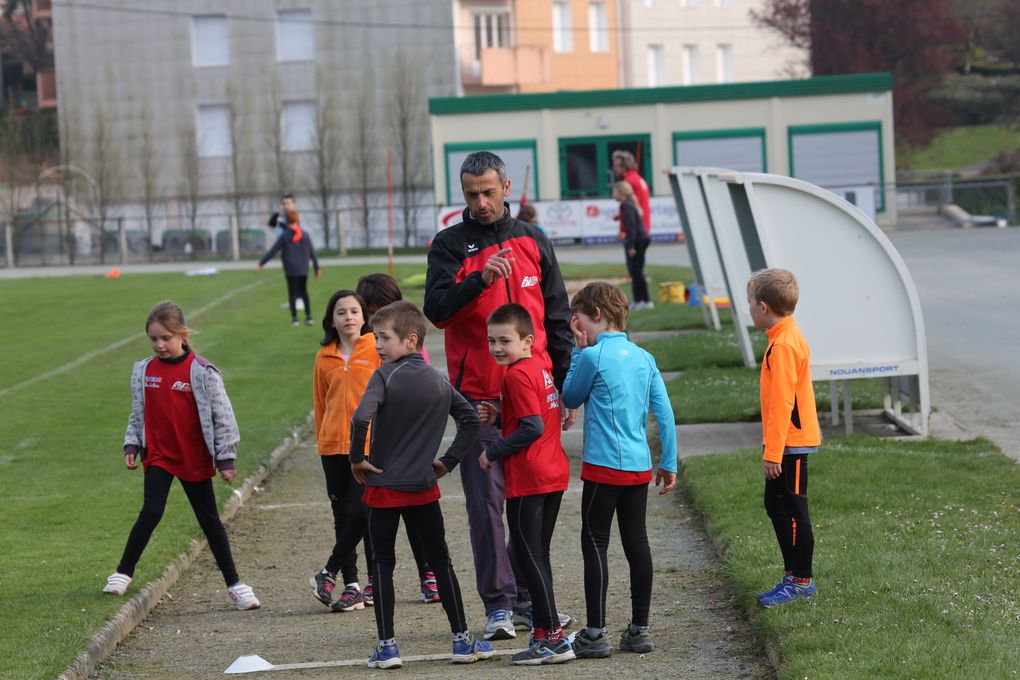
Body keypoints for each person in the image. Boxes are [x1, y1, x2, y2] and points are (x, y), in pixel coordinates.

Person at [423, 151, 574, 641]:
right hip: (478, 401)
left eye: (488, 191)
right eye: (471, 194)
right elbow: (437, 312)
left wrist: (565, 387)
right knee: (486, 506)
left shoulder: (534, 240)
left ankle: (532, 597)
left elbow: (557, 316)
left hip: (533, 398)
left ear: (506, 186)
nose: (481, 202)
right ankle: (500, 605)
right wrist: (478, 280)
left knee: (534, 501)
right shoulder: (449, 245)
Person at [348, 301, 495, 668]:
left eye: (384, 337)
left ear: (411, 340)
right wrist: (447, 461)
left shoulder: (384, 376)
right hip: (423, 487)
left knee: (382, 564)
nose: (377, 344)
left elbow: (361, 416)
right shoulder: (438, 379)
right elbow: (470, 421)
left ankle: (387, 646)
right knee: (440, 560)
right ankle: (462, 640)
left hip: (383, 488)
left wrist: (355, 458)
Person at [103, 301, 260, 611]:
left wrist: (225, 459)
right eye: (153, 338)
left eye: (166, 337)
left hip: (194, 459)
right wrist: (132, 445)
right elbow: (138, 413)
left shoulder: (202, 372)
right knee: (151, 511)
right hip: (159, 456)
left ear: (182, 334)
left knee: (210, 521)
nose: (160, 344)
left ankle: (235, 585)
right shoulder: (143, 370)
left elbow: (223, 417)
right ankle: (123, 573)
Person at [561, 282, 677, 658]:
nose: (575, 328)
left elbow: (570, 397)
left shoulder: (593, 356)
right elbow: (665, 414)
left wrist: (579, 353)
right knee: (636, 543)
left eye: (576, 320)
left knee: (594, 541)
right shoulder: (644, 357)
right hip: (639, 465)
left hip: (603, 465)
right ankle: (639, 629)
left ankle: (595, 633)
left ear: (595, 315)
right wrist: (669, 461)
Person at [478, 303, 573, 665]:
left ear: (527, 340)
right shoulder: (538, 367)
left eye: (505, 340)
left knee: (528, 557)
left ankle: (552, 637)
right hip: (553, 474)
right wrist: (500, 414)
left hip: (530, 478)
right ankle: (545, 633)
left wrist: (495, 450)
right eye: (492, 341)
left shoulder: (515, 375)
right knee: (538, 555)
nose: (497, 348)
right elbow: (534, 413)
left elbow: (531, 427)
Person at [355, 273, 438, 605]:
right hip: (378, 447)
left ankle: (427, 574)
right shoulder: (369, 346)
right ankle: (374, 578)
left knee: (416, 518)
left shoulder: (409, 352)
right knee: (373, 521)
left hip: (406, 447)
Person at [746, 268, 821, 608]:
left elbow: (782, 403)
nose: (748, 309)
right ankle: (792, 575)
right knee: (775, 505)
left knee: (792, 510)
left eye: (750, 303)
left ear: (763, 307)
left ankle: (801, 580)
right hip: (784, 441)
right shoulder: (781, 337)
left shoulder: (785, 344)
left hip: (790, 442)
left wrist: (773, 452)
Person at [309, 289, 379, 613]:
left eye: (354, 311)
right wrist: (323, 439)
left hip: (366, 447)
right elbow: (320, 403)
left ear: (364, 317)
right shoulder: (324, 356)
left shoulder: (375, 349)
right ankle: (351, 587)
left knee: (363, 513)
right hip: (332, 447)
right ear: (332, 320)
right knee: (342, 517)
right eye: (341, 312)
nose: (348, 317)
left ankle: (329, 571)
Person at [255, 208, 320, 327]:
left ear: (287, 220)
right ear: (297, 220)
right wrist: (317, 268)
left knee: (292, 293)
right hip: (303, 268)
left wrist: (261, 263)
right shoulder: (305, 235)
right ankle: (308, 317)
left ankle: (295, 319)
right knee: (304, 291)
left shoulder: (284, 236)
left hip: (290, 269)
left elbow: (273, 251)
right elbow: (312, 253)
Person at [613, 181, 652, 310]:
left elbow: (632, 228)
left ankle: (646, 300)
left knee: (637, 271)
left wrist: (631, 246)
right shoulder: (627, 205)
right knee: (634, 271)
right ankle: (638, 299)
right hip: (638, 239)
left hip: (638, 241)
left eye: (615, 192)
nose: (613, 195)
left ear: (621, 193)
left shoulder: (626, 205)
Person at [612, 150, 651, 234]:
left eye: (616, 166)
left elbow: (628, 207)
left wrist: (623, 230)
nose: (614, 169)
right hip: (643, 226)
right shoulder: (637, 178)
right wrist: (619, 216)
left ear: (624, 167)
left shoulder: (628, 182)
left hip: (635, 229)